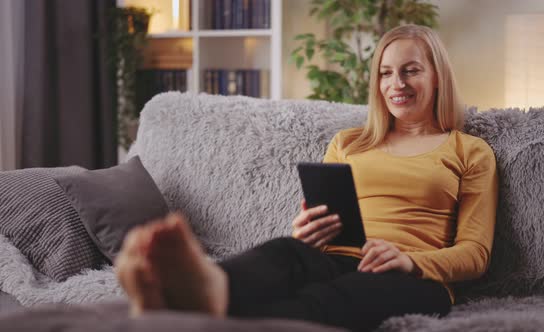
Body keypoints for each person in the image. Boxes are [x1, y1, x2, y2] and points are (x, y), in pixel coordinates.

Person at [114, 24, 498, 332]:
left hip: (415, 280)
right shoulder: (348, 143)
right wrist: (307, 231)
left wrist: (410, 261)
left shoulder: (468, 151)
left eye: (410, 70)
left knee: (332, 298)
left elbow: (475, 255)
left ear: (437, 77)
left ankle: (195, 315)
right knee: (284, 253)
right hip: (334, 256)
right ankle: (203, 287)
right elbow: (324, 218)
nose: (396, 83)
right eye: (385, 73)